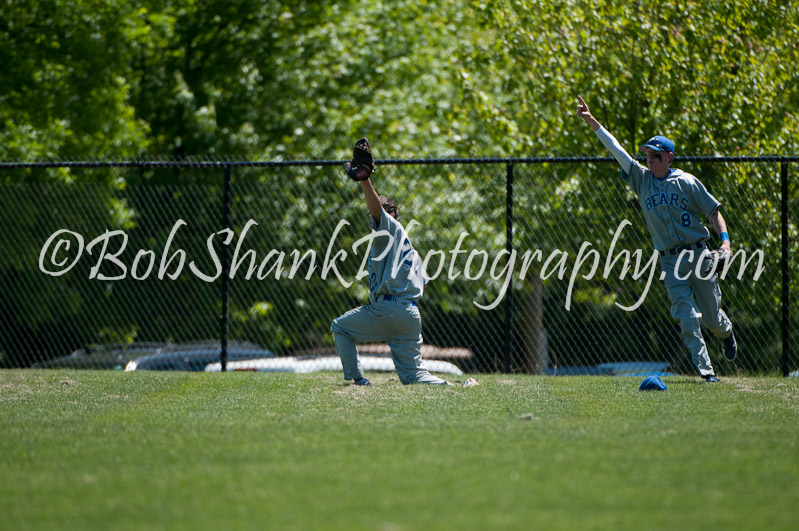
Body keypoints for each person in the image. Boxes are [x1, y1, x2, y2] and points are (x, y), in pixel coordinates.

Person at [575, 95, 737, 383]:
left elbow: (714, 212)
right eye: (648, 155)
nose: (650, 160)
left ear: (669, 157)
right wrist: (592, 122)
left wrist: (725, 244)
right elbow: (617, 150)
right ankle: (706, 371)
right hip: (670, 260)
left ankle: (726, 331)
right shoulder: (641, 179)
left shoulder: (686, 182)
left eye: (656, 156)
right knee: (686, 316)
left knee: (712, 320)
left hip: (699, 255)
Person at [331, 139, 452, 386]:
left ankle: (357, 380)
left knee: (340, 327)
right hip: (410, 314)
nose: (373, 219)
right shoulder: (411, 251)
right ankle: (453, 387)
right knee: (414, 377)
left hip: (388, 309)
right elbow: (424, 285)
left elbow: (377, 211)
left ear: (390, 215)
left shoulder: (388, 228)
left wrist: (364, 178)